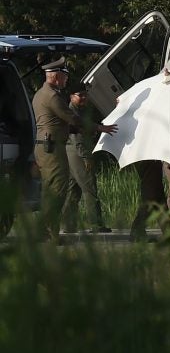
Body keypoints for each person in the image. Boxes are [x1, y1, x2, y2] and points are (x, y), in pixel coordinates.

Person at [32, 57, 117, 242]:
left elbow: (61, 124)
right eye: (64, 76)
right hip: (52, 149)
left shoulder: (40, 94)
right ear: (55, 77)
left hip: (47, 147)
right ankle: (49, 233)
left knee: (51, 190)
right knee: (57, 190)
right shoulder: (53, 97)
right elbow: (73, 119)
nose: (66, 80)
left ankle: (45, 231)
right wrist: (98, 127)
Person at [61, 83, 111, 234]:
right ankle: (96, 225)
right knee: (90, 188)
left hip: (71, 153)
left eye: (85, 95)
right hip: (78, 153)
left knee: (73, 189)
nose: (83, 98)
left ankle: (68, 225)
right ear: (71, 97)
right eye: (80, 95)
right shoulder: (73, 113)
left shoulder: (79, 111)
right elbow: (77, 138)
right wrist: (86, 157)